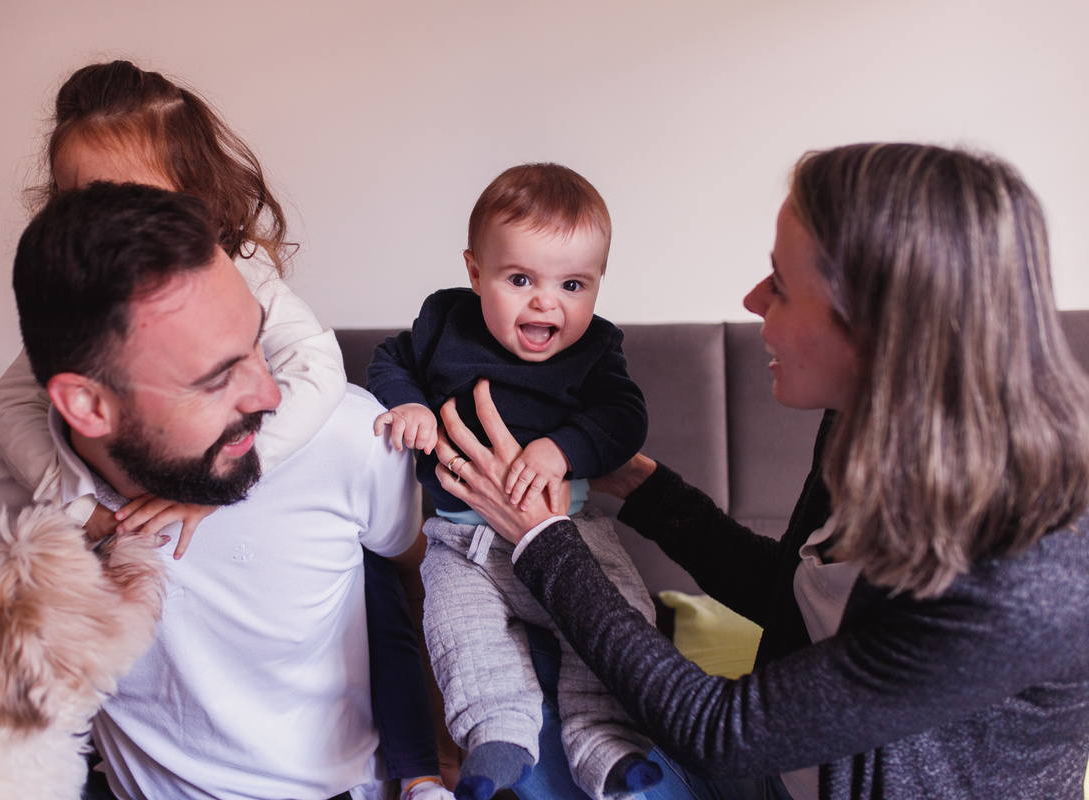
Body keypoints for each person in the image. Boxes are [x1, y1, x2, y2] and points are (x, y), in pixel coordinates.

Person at [429, 143, 1089, 800]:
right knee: (508, 667)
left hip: (736, 742)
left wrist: (542, 538)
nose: (752, 299)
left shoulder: (1026, 578)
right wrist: (640, 485)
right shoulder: (862, 426)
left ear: (879, 323)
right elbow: (794, 597)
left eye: (781, 283)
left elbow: (723, 734)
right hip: (773, 774)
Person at [0, 60, 452, 800]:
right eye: (214, 375)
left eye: (250, 348)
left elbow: (417, 577)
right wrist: (79, 507)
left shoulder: (348, 436)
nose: (264, 391)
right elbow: (9, 406)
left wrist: (427, 766)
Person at [366, 163, 661, 800]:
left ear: (598, 283)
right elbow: (389, 361)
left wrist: (562, 448)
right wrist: (410, 404)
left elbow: (624, 417)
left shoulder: (596, 350)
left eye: (573, 284)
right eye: (520, 279)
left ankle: (606, 739)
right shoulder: (445, 323)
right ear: (475, 273)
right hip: (461, 543)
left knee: (621, 618)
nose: (545, 302)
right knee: (460, 631)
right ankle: (497, 733)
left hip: (570, 532)